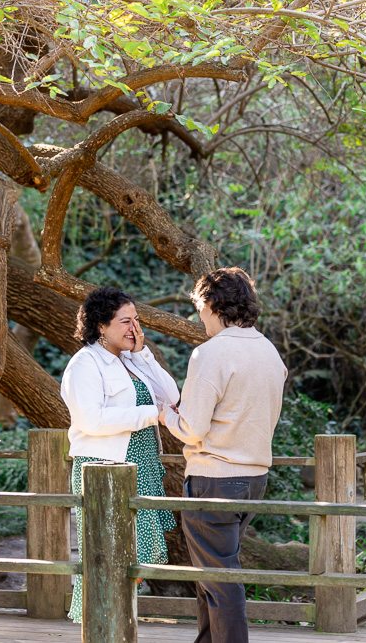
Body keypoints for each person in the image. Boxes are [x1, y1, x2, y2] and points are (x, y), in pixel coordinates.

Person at [161, 267, 287, 643]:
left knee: (220, 582)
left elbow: (192, 428)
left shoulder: (210, 353)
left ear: (212, 305)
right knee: (212, 578)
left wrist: (165, 413)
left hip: (214, 478)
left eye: (199, 309)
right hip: (254, 479)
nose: (199, 318)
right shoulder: (268, 351)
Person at [60, 286, 181, 623]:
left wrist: (143, 355)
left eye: (136, 320)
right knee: (107, 554)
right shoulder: (84, 364)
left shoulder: (131, 360)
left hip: (142, 466)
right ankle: (101, 623)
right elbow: (91, 420)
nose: (134, 328)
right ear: (101, 325)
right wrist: (150, 414)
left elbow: (171, 397)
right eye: (125, 321)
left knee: (137, 555)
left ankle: (118, 619)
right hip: (105, 469)